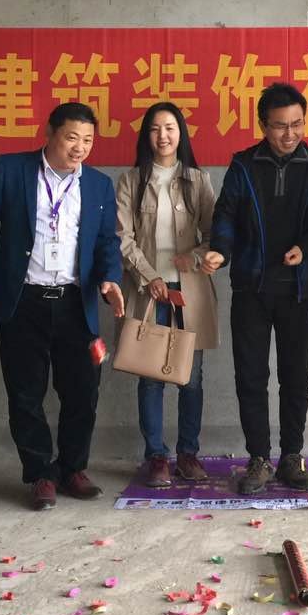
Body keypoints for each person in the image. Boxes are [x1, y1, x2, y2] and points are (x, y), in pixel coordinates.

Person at [0, 102, 125, 511]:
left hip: (76, 303)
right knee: (25, 393)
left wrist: (110, 278)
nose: (79, 148)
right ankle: (40, 474)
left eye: (87, 140)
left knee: (82, 392)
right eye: (71, 137)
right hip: (23, 301)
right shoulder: (10, 169)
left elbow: (107, 241)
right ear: (49, 133)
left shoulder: (99, 185)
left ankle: (73, 468)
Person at [202, 83, 308, 495]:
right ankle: (259, 459)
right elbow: (225, 213)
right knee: (250, 375)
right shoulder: (244, 165)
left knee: (295, 376)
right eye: (280, 126)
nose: (290, 133)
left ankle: (292, 457)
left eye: (297, 124)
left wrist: (307, 247)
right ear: (263, 125)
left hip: (300, 288)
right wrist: (221, 250)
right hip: (252, 286)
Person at [115, 102, 219, 487]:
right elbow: (122, 237)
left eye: (170, 128)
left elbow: (215, 235)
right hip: (148, 292)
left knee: (191, 378)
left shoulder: (198, 180)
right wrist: (149, 276)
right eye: (155, 129)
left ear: (181, 134)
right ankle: (156, 456)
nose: (163, 136)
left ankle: (188, 453)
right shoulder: (131, 181)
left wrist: (194, 257)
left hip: (189, 291)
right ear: (147, 135)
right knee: (150, 377)